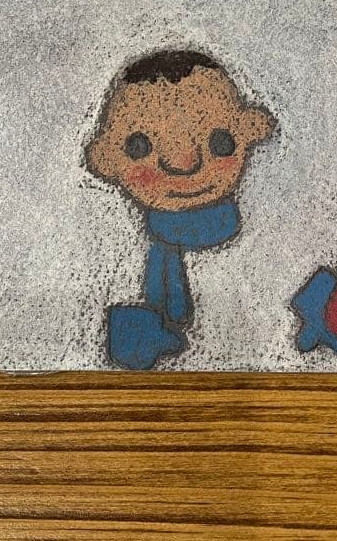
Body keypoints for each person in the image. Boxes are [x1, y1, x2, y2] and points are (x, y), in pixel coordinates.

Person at [85, 49, 275, 368]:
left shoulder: (267, 244)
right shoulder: (116, 259)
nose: (184, 164)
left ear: (249, 128)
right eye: (139, 147)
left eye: (219, 141)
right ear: (107, 157)